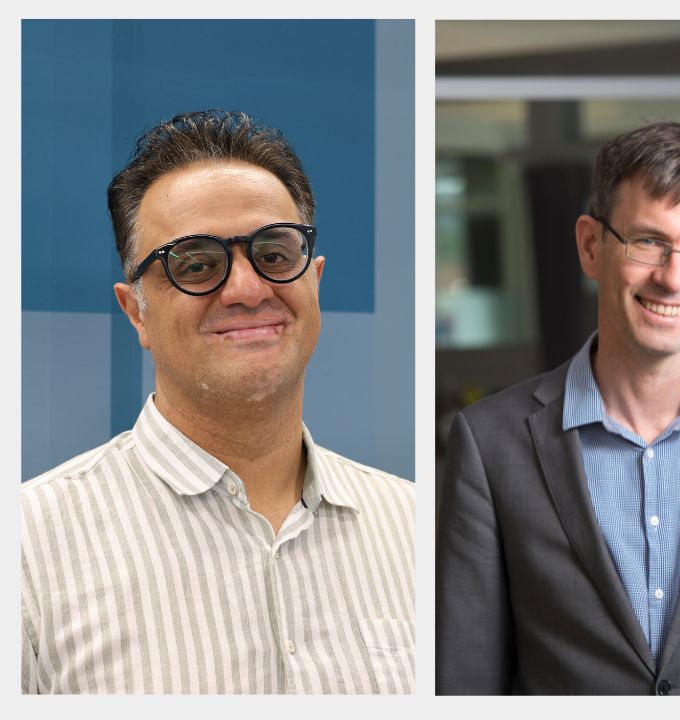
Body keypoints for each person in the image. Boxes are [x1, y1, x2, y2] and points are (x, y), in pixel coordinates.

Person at [20, 110, 415, 694]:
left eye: (274, 255)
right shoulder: (26, 550)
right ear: (136, 312)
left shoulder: (415, 525)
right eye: (197, 264)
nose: (248, 289)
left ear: (315, 280)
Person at [437, 122, 680, 695]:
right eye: (648, 242)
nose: (674, 278)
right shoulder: (489, 443)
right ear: (591, 246)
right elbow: (466, 682)